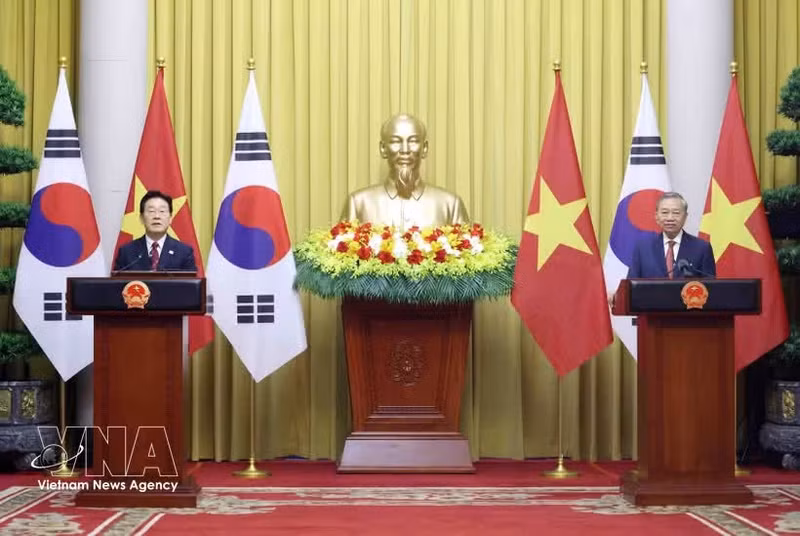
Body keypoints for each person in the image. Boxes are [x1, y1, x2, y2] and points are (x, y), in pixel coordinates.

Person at [341, 113, 469, 230]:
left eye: (413, 141)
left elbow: (466, 253)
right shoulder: (358, 203)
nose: (405, 150)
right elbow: (342, 253)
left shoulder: (450, 204)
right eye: (396, 141)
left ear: (424, 148)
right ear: (383, 148)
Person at [626, 191, 716, 279]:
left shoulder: (702, 248)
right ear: (656, 217)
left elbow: (710, 287)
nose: (670, 218)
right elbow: (630, 286)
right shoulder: (642, 248)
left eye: (676, 213)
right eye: (665, 213)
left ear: (685, 217)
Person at [113, 190, 197, 271]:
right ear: (141, 218)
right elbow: (118, 283)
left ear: (170, 218)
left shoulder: (184, 252)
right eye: (151, 211)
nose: (157, 216)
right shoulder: (126, 252)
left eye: (162, 211)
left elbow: (190, 284)